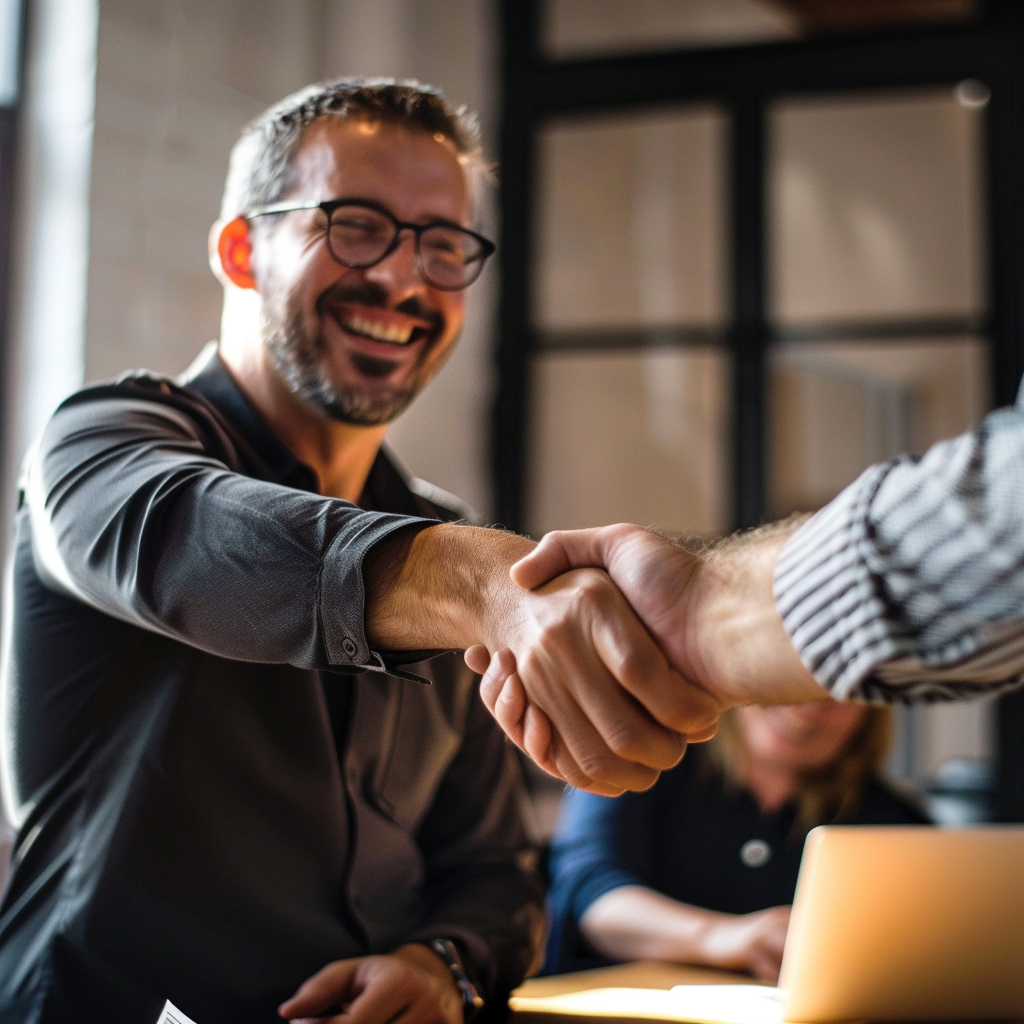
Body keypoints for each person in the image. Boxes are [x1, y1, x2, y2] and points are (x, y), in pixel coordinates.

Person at [0, 77, 719, 1024]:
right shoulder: (102, 443)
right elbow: (193, 543)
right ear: (241, 250)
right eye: (356, 226)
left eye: (442, 244)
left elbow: (496, 873)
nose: (403, 280)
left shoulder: (441, 532)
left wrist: (439, 965)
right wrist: (494, 588)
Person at [472, 390, 1024, 771]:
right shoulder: (685, 780)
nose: (805, 708)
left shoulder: (892, 823)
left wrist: (704, 615)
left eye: (819, 682)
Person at [543, 701, 927, 981]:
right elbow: (591, 898)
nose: (809, 706)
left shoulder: (894, 824)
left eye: (837, 690)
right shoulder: (641, 761)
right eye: (792, 676)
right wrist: (727, 938)